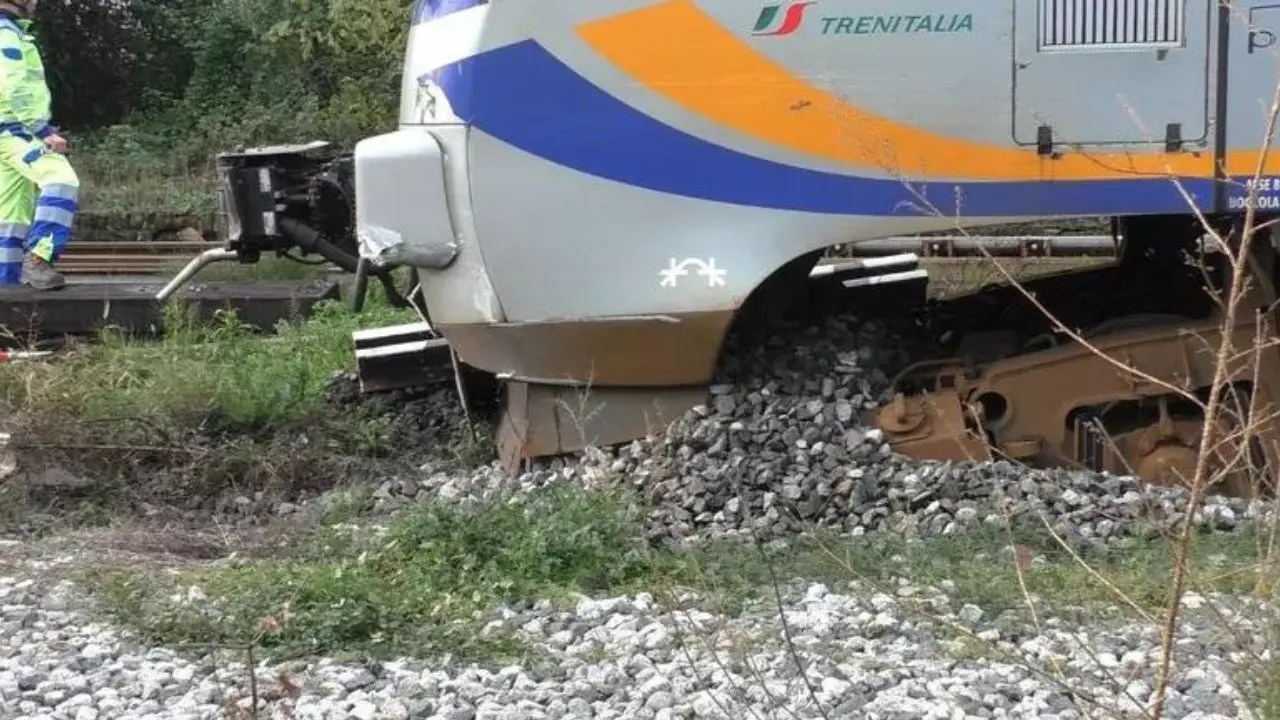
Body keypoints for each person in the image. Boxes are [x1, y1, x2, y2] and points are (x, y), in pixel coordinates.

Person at [0, 0, 75, 290]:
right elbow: (15, 85)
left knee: (11, 216)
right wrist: (42, 129)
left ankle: (6, 290)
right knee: (61, 181)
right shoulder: (7, 33)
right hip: (16, 130)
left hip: (5, 133)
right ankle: (39, 260)